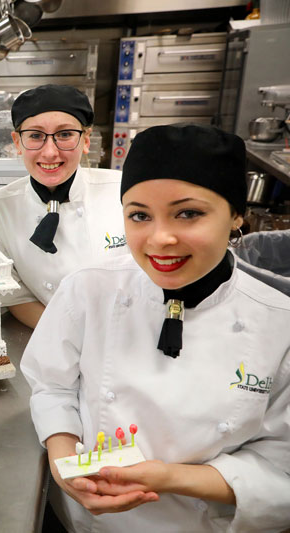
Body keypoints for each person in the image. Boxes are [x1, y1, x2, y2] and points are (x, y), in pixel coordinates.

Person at [21, 124, 290, 532]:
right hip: (84, 521)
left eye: (188, 213)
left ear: (237, 215)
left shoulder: (278, 323)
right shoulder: (90, 289)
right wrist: (63, 466)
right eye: (140, 215)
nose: (160, 238)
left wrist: (169, 477)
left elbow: (281, 468)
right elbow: (51, 386)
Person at [0, 85, 128, 329]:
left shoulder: (123, 192)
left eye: (65, 134)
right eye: (35, 136)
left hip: (128, 335)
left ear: (86, 140)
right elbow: (16, 295)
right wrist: (68, 335)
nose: (50, 152)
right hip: (54, 335)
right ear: (18, 142)